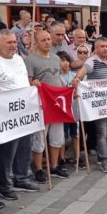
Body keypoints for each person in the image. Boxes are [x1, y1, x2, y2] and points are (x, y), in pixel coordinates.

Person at [0, 29, 39, 198]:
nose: (13, 46)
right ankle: (5, 184)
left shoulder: (19, 60)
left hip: (23, 111)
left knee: (24, 146)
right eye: (9, 43)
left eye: (14, 42)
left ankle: (21, 177)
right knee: (7, 151)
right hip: (4, 114)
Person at [25, 29, 70, 181]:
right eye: (43, 40)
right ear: (36, 42)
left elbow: (58, 77)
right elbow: (28, 80)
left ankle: (54, 166)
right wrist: (33, 83)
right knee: (40, 137)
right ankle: (38, 168)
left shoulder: (56, 58)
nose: (47, 42)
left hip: (57, 102)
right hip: (41, 103)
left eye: (48, 39)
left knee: (57, 136)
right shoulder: (30, 60)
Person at [76, 37, 107, 173]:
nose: (105, 48)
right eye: (102, 46)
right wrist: (77, 78)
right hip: (99, 104)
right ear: (96, 48)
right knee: (101, 132)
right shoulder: (92, 61)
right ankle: (104, 160)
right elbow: (82, 72)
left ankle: (102, 155)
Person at [56, 51, 80, 167]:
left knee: (75, 134)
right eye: (61, 60)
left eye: (66, 60)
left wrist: (76, 92)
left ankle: (77, 157)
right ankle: (61, 158)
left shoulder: (74, 76)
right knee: (62, 135)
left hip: (73, 109)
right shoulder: (56, 77)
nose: (64, 63)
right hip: (61, 110)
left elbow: (78, 89)